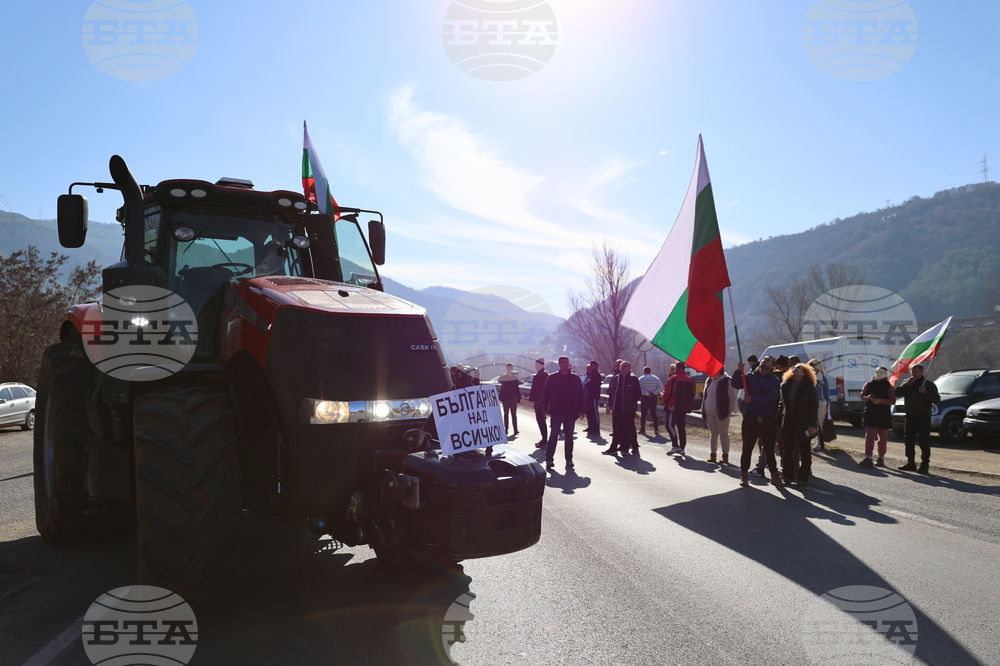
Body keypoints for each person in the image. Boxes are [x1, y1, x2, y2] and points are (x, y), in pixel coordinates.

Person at [732, 355, 783, 487]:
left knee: (769, 448)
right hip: (751, 416)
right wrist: (738, 371)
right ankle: (744, 474)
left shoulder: (775, 380)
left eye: (769, 360)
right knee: (747, 447)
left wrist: (753, 400)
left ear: (772, 366)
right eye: (764, 359)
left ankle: (774, 475)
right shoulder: (750, 376)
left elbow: (771, 397)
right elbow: (736, 384)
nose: (765, 361)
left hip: (767, 418)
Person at [776, 362, 819, 487]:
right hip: (788, 421)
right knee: (788, 451)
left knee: (805, 451)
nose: (795, 369)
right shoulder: (785, 385)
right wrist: (778, 420)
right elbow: (781, 404)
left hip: (803, 422)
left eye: (799, 368)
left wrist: (811, 425)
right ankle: (788, 476)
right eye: (793, 367)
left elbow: (813, 407)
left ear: (805, 372)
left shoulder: (809, 387)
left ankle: (803, 477)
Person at [893, 363, 940, 474]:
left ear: (922, 372)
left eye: (916, 372)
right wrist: (906, 385)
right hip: (910, 417)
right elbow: (896, 393)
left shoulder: (928, 385)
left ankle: (924, 465)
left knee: (923, 442)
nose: (914, 374)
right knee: (908, 441)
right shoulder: (908, 383)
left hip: (923, 417)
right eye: (912, 372)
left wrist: (925, 392)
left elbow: (936, 399)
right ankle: (910, 463)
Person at [540, 356, 585, 471]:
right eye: (563, 363)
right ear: (559, 364)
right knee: (554, 435)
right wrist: (544, 409)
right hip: (556, 412)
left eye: (567, 362)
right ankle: (549, 459)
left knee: (569, 437)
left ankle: (569, 459)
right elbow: (545, 394)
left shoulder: (575, 378)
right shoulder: (552, 378)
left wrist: (582, 410)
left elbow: (581, 394)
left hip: (571, 412)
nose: (566, 364)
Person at [858, 366, 895, 468]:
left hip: (883, 414)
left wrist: (881, 401)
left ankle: (881, 458)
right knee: (869, 436)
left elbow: (893, 400)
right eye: (877, 372)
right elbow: (862, 395)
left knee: (882, 438)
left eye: (881, 372)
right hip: (870, 413)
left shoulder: (889, 386)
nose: (879, 374)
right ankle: (868, 457)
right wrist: (868, 398)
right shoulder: (868, 384)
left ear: (885, 374)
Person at [604, 361, 641, 455]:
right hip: (617, 408)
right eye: (621, 366)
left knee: (628, 428)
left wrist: (631, 402)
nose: (623, 368)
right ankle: (613, 448)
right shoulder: (616, 378)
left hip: (628, 409)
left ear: (629, 368)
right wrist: (610, 405)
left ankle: (627, 447)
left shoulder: (633, 379)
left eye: (625, 366)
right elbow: (611, 392)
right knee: (616, 428)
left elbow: (638, 393)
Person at [703, 368, 737, 464]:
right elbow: (706, 395)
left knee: (723, 434)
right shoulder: (709, 380)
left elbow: (732, 397)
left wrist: (729, 411)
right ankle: (713, 454)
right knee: (713, 434)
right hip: (709, 411)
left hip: (721, 412)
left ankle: (725, 455)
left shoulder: (727, 381)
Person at [663, 361, 695, 455]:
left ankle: (675, 445)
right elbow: (692, 394)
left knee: (669, 425)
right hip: (684, 407)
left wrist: (666, 401)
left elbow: (667, 392)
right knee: (681, 427)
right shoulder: (690, 380)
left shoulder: (673, 378)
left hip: (673, 406)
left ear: (677, 368)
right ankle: (682, 447)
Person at [811, 359, 831, 452]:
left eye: (818, 365)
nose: (817, 367)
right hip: (810, 403)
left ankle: (820, 442)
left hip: (821, 402)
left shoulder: (823, 378)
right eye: (815, 365)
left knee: (820, 423)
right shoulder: (808, 377)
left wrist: (828, 404)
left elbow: (826, 392)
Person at [528, 358, 549, 448]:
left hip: (540, 402)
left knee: (541, 420)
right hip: (538, 401)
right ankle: (543, 439)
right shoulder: (540, 373)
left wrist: (539, 402)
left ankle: (545, 440)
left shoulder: (543, 374)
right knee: (540, 420)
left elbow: (542, 389)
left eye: (536, 364)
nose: (535, 366)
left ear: (540, 364)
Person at [497, 363, 522, 436]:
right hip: (505, 398)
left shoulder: (515, 377)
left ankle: (515, 429)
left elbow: (519, 384)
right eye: (508, 368)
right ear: (506, 368)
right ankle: (506, 428)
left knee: (514, 414)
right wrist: (507, 375)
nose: (509, 369)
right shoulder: (503, 376)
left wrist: (513, 376)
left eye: (511, 368)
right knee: (506, 414)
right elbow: (500, 380)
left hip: (513, 397)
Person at [638, 366, 663, 436]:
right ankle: (656, 429)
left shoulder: (641, 379)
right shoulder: (656, 378)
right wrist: (654, 392)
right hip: (653, 397)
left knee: (643, 414)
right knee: (654, 413)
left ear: (644, 372)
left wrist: (646, 393)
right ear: (650, 371)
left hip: (645, 398)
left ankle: (643, 429)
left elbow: (639, 389)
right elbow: (660, 387)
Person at [583, 360, 603, 433]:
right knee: (589, 411)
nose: (591, 366)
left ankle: (596, 427)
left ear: (595, 366)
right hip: (589, 395)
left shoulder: (596, 375)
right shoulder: (591, 374)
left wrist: (588, 383)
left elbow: (590, 384)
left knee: (594, 412)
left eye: (592, 365)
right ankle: (590, 426)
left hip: (594, 395)